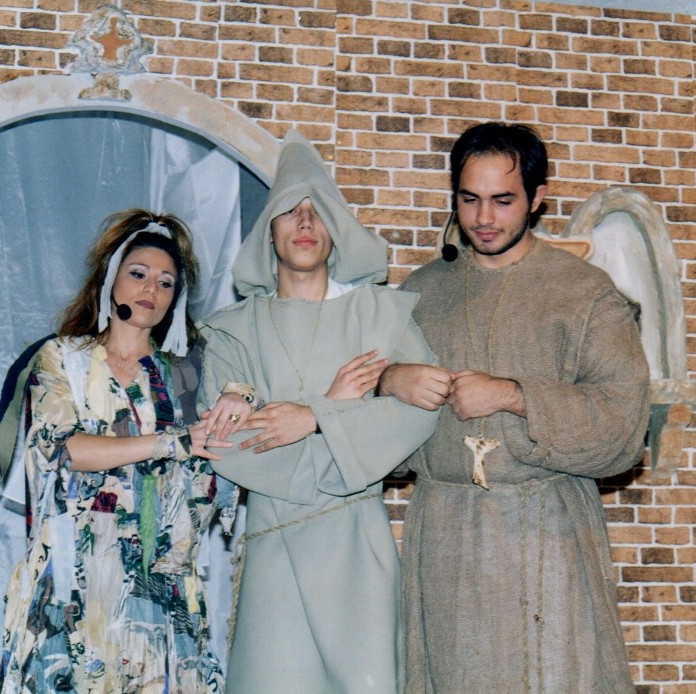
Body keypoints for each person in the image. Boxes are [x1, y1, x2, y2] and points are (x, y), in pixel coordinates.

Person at [379, 122, 651, 693]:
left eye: (503, 200)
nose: (483, 218)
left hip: (547, 531)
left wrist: (515, 395)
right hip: (446, 536)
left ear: (537, 198)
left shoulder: (583, 292)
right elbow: (374, 439)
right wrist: (388, 382)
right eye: (469, 199)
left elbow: (624, 427)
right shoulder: (422, 292)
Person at [197, 130, 439, 694]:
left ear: (336, 228)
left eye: (317, 210)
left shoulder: (380, 316)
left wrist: (312, 419)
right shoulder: (234, 332)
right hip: (274, 543)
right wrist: (342, 419)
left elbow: (420, 414)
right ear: (269, 231)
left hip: (358, 545)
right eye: (289, 210)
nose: (304, 222)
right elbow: (227, 444)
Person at [0, 209, 251, 693]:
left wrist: (242, 398)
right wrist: (172, 442)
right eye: (138, 274)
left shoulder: (188, 373)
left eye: (166, 282)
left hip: (159, 586)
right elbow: (65, 449)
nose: (151, 289)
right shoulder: (63, 359)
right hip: (74, 580)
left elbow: (233, 439)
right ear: (110, 279)